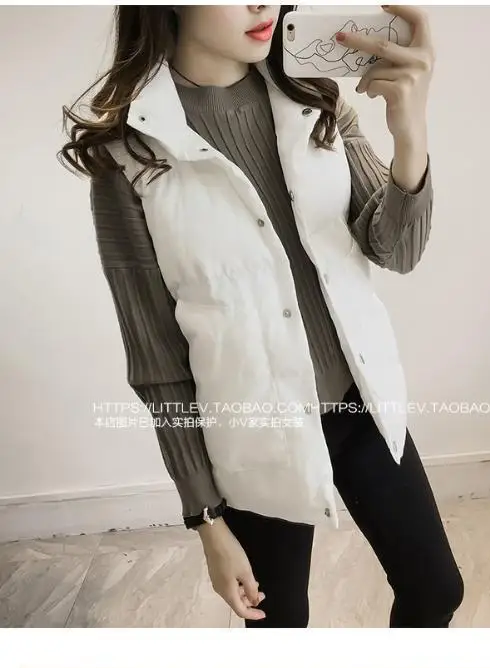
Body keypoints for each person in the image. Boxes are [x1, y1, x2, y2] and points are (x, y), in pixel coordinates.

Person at [59, 5, 464, 629]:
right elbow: (158, 360)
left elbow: (397, 251)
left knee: (436, 590)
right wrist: (206, 519)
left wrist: (410, 131)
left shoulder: (316, 101)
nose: (262, 4)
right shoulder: (129, 153)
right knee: (279, 628)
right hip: (256, 435)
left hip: (359, 406)